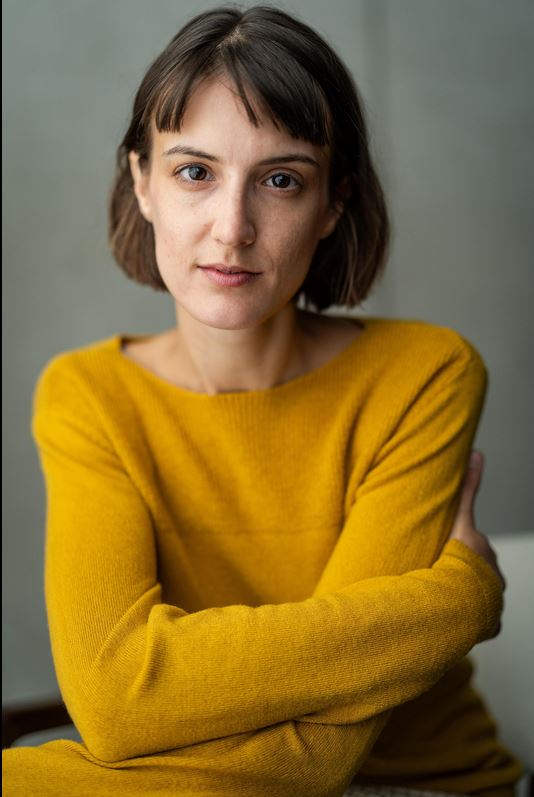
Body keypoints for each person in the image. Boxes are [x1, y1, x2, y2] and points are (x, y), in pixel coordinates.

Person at [3, 6, 522, 796]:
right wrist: (456, 602)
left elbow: (315, 758)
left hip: (417, 785)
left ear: (334, 203)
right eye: (195, 172)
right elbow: (112, 699)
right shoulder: (87, 395)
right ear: (142, 183)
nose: (233, 228)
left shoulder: (424, 374)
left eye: (281, 180)